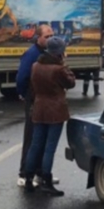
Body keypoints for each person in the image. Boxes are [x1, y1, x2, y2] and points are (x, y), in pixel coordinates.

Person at [23, 36, 75, 196]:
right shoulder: (59, 69)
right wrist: (65, 66)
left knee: (35, 144)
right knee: (49, 147)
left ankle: (28, 178)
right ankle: (46, 180)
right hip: (55, 110)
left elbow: (32, 86)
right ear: (60, 52)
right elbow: (70, 83)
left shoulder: (35, 66)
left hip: (39, 107)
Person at [15, 23, 54, 187]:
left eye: (52, 36)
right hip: (34, 98)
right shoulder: (32, 54)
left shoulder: (48, 53)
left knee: (43, 136)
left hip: (45, 99)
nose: (50, 39)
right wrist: (25, 94)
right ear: (38, 38)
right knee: (31, 136)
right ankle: (24, 173)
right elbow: (22, 77)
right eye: (47, 36)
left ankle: (39, 171)